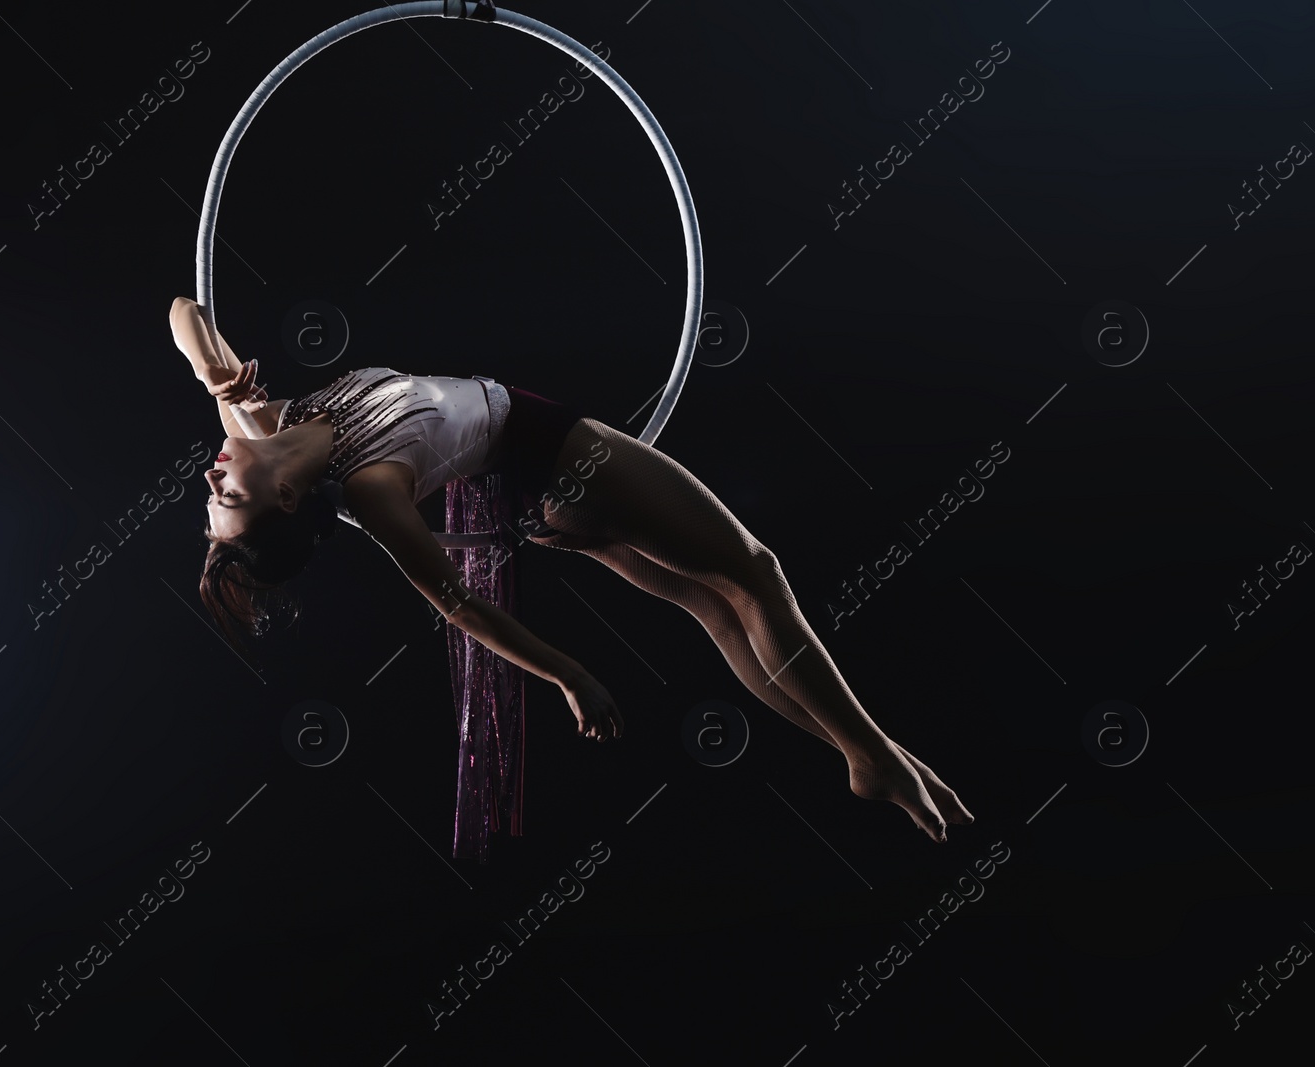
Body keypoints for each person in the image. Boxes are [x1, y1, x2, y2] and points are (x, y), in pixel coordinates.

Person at [169, 297, 973, 843]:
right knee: (754, 569)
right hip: (552, 458)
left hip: (538, 487)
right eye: (225, 500)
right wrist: (568, 673)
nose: (210, 478)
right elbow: (456, 604)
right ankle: (871, 752)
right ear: (280, 497)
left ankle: (854, 751)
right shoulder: (372, 489)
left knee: (715, 603)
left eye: (211, 493)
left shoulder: (263, 419)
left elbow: (183, 311)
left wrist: (214, 371)